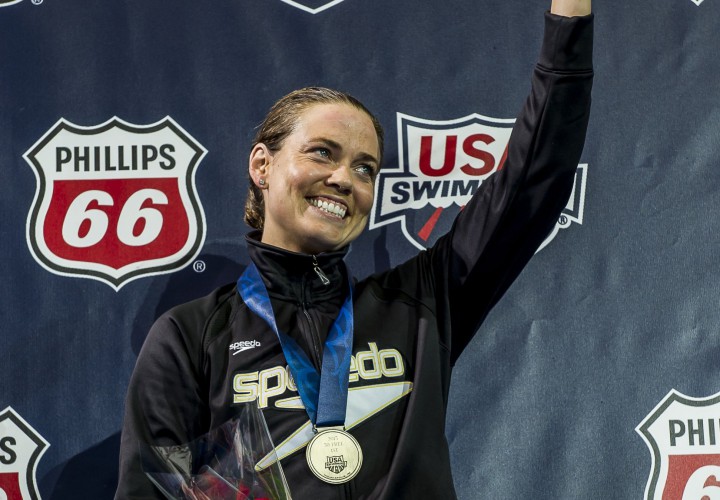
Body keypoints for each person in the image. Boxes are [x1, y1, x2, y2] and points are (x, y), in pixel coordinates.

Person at [116, 0, 593, 497]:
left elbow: (533, 180)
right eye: (322, 152)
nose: (344, 179)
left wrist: (570, 22)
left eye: (365, 168)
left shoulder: (422, 302)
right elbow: (147, 492)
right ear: (262, 165)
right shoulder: (192, 336)